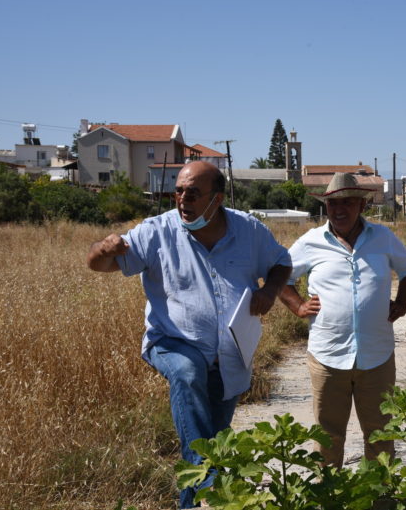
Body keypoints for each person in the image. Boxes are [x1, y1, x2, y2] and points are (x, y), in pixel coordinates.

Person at [86, 161, 292, 508]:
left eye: (193, 193)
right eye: (178, 191)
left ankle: (191, 500)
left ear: (217, 199)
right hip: (172, 343)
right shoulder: (156, 231)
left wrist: (269, 292)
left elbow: (281, 262)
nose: (183, 199)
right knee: (188, 372)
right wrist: (103, 250)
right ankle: (214, 484)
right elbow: (100, 264)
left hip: (230, 355)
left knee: (212, 438)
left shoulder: (249, 231)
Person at [279, 172, 406, 467]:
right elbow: (281, 275)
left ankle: (379, 499)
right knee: (327, 436)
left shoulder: (383, 238)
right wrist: (298, 306)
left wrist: (404, 303)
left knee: (381, 434)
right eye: (333, 205)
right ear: (326, 207)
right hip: (327, 356)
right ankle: (328, 496)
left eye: (347, 203)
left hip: (377, 356)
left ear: (362, 206)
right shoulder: (311, 241)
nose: (339, 210)